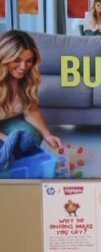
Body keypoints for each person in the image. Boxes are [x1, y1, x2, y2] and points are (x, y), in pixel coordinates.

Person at [0, 30, 63, 161]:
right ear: (4, 57)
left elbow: (31, 110)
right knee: (8, 147)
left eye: (28, 61)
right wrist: (7, 140)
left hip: (7, 121)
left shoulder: (27, 79)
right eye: (17, 60)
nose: (23, 67)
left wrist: (47, 135)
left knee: (32, 137)